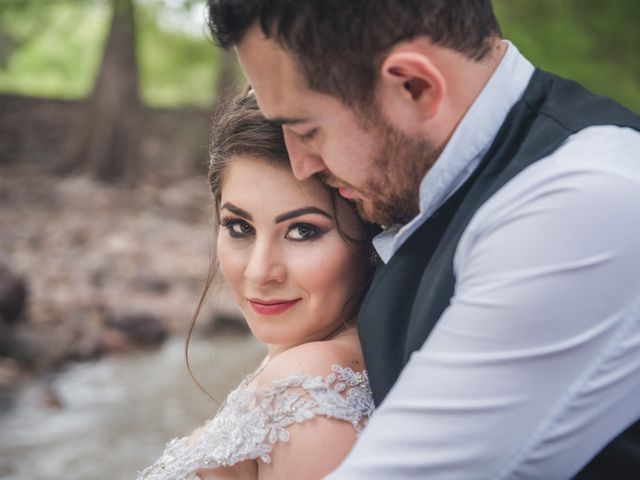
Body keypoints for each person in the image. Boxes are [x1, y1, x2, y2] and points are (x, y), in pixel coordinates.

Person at [205, 1, 640, 478]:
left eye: (307, 129)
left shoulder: (580, 203)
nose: (303, 164)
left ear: (415, 87)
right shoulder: (429, 196)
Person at [137, 93, 376, 480]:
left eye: (302, 231)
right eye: (239, 227)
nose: (259, 271)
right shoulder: (304, 355)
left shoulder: (309, 389)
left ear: (369, 238)